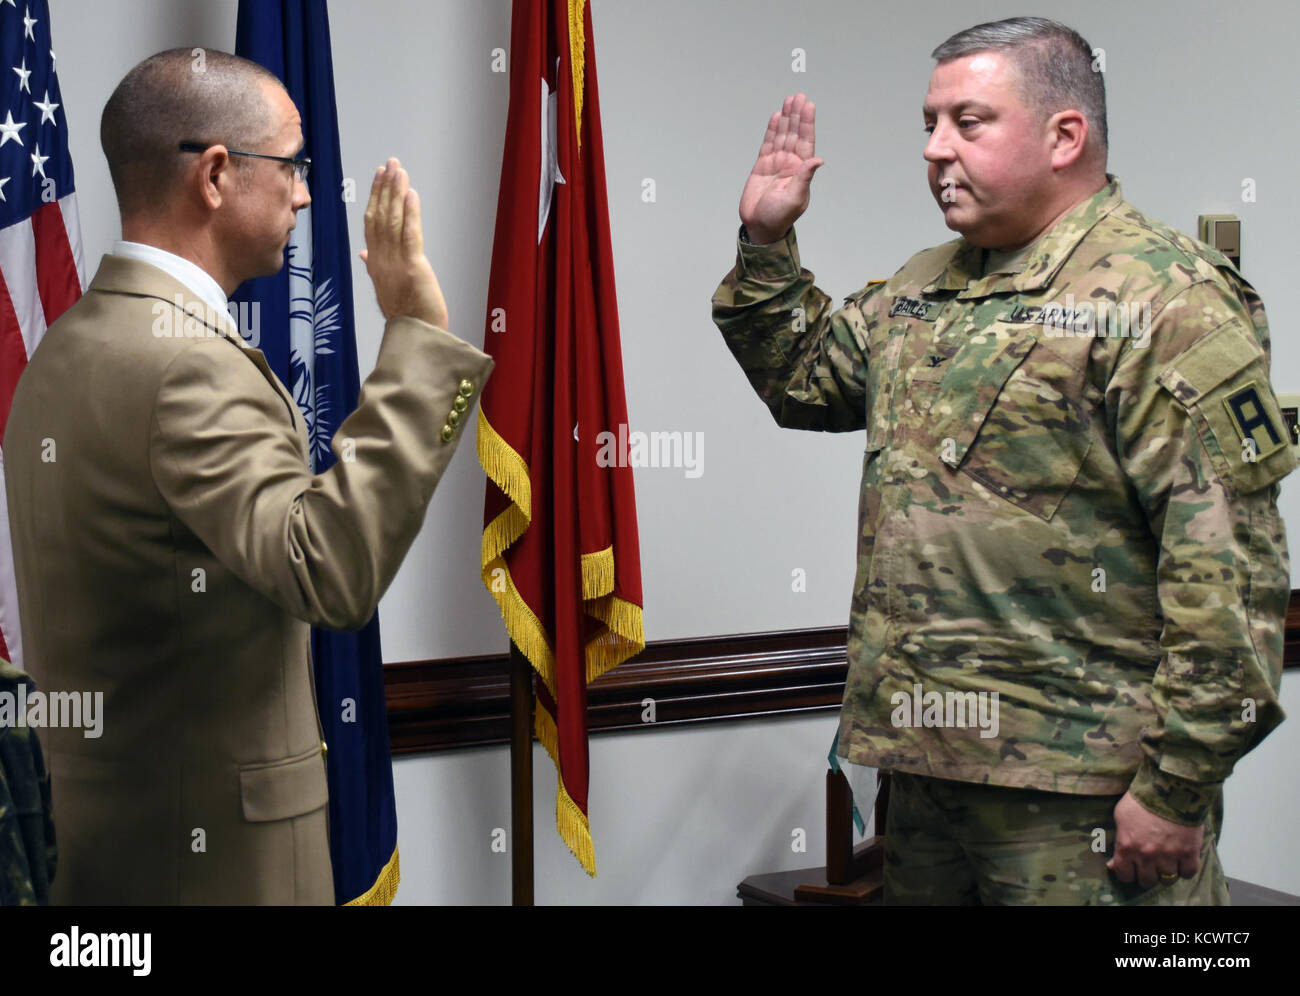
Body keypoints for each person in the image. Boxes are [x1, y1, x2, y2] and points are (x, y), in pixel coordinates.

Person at [712, 17, 1292, 905]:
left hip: (1084, 795)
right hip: (925, 772)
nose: (936, 150)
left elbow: (1228, 570)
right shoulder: (925, 286)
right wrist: (765, 245)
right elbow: (804, 382)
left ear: (1066, 136)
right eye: (929, 125)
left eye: (968, 122)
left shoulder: (1164, 298)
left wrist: (1177, 786)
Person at [3, 49, 493, 904]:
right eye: (293, 164)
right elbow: (330, 569)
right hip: (214, 869)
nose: (306, 192)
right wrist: (418, 336)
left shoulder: (62, 348)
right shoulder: (190, 365)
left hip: (98, 856)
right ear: (218, 176)